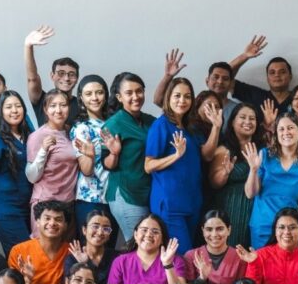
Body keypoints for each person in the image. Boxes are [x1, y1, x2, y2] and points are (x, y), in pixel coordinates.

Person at [145, 78, 221, 253]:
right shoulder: (161, 125)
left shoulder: (190, 126)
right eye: (177, 96)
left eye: (187, 96)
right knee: (182, 255)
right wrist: (176, 156)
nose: (182, 100)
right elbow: (148, 165)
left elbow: (207, 155)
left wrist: (216, 127)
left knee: (190, 253)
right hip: (170, 203)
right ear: (168, 98)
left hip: (192, 201)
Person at [244, 111, 298, 249]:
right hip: (264, 225)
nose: (286, 132)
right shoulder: (264, 155)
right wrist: (253, 170)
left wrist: (292, 230)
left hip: (292, 228)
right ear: (276, 133)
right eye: (281, 129)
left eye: (290, 128)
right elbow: (250, 193)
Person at [102, 72, 157, 244]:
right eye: (129, 93)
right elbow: (107, 164)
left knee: (132, 245)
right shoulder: (113, 124)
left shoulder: (149, 120)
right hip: (126, 195)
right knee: (140, 245)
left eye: (139, 91)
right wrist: (114, 153)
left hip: (146, 192)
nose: (136, 96)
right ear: (119, 97)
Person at [0, 90, 32, 256]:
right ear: (0, 111)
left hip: (26, 206)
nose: (14, 110)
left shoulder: (28, 134)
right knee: (24, 255)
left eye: (18, 106)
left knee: (27, 254)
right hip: (4, 207)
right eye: (8, 107)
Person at [183, 210, 247, 284]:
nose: (214, 234)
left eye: (220, 229)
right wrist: (201, 279)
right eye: (209, 229)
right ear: (203, 231)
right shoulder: (191, 256)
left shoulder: (240, 258)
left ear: (229, 230)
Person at [208, 102, 261, 249]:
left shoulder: (262, 149)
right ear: (232, 122)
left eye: (252, 118)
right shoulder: (223, 149)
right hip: (232, 207)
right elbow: (214, 183)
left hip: (257, 207)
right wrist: (225, 172)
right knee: (233, 249)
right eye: (242, 117)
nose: (248, 122)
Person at [26, 89, 80, 227]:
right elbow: (32, 177)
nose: (58, 110)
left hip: (68, 204)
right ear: (45, 109)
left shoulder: (72, 131)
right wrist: (43, 150)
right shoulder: (38, 136)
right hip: (45, 205)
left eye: (63, 105)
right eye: (53, 105)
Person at [8, 200, 70, 284]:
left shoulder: (72, 252)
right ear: (37, 222)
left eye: (58, 219)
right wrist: (27, 281)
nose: (52, 223)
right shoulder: (19, 251)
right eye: (47, 218)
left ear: (65, 225)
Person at [69, 74, 112, 231]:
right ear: (81, 98)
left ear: (106, 95)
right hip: (91, 199)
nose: (94, 98)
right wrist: (91, 155)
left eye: (99, 92)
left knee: (109, 244)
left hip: (112, 198)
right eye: (88, 94)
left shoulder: (112, 124)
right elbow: (86, 171)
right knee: (91, 244)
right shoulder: (81, 128)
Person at [23, 26, 79, 126]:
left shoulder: (82, 104)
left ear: (77, 78)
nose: (66, 78)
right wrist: (28, 47)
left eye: (71, 74)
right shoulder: (42, 99)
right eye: (61, 73)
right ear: (52, 76)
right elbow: (32, 79)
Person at [65, 209, 118, 284]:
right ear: (84, 230)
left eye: (106, 228)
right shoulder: (72, 259)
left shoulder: (117, 258)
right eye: (95, 226)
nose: (100, 232)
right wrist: (85, 264)